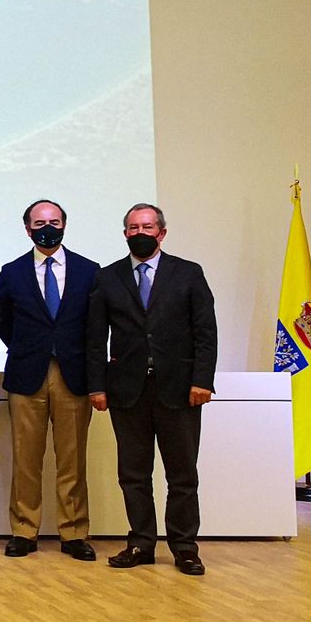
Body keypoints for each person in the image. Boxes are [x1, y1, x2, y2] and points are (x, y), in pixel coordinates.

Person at [87, 202, 216, 576]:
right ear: (124, 233)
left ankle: (184, 548)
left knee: (182, 475)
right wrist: (97, 386)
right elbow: (95, 339)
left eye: (147, 227)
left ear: (161, 232)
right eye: (132, 227)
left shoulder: (188, 273)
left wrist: (202, 381)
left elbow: (206, 332)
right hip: (127, 392)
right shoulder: (107, 278)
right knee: (133, 474)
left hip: (180, 390)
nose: (139, 233)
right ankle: (141, 543)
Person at [0, 199, 99, 561]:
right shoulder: (11, 272)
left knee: (72, 459)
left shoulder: (90, 271)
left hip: (74, 374)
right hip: (27, 373)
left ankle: (73, 532)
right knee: (26, 457)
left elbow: (95, 326)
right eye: (40, 222)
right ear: (27, 229)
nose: (47, 228)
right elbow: (2, 321)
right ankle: (25, 529)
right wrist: (30, 348)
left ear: (65, 226)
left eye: (54, 222)